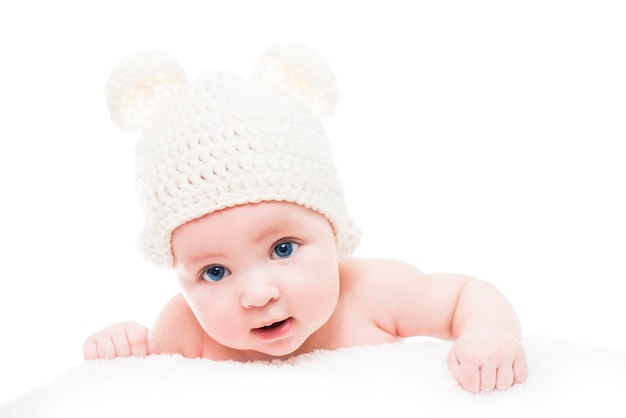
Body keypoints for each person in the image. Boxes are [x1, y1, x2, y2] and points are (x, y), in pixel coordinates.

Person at [83, 44, 528, 393]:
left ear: (333, 232)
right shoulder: (184, 329)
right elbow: (147, 390)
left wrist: (487, 332)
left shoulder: (373, 292)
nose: (257, 295)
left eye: (283, 249)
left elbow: (466, 295)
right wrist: (125, 349)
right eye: (214, 272)